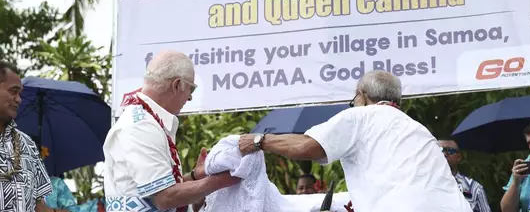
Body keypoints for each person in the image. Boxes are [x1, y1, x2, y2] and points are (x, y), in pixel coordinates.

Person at [238, 70, 472, 212]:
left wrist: (260, 140)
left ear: (362, 96)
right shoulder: (419, 130)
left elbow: (306, 146)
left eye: (354, 98)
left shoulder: (360, 115)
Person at [103, 51, 239, 212]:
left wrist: (195, 176)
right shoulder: (141, 125)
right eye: (191, 89)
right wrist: (221, 181)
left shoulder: (144, 120)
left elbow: (157, 191)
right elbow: (165, 198)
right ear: (177, 85)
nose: (189, 98)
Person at [0, 60, 52, 212]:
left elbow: (39, 207)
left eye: (20, 93)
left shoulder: (27, 144)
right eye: (13, 91)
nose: (19, 99)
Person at [439, 139, 491, 212]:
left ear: (459, 157)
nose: (444, 154)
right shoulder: (422, 183)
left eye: (449, 150)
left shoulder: (474, 188)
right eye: (439, 150)